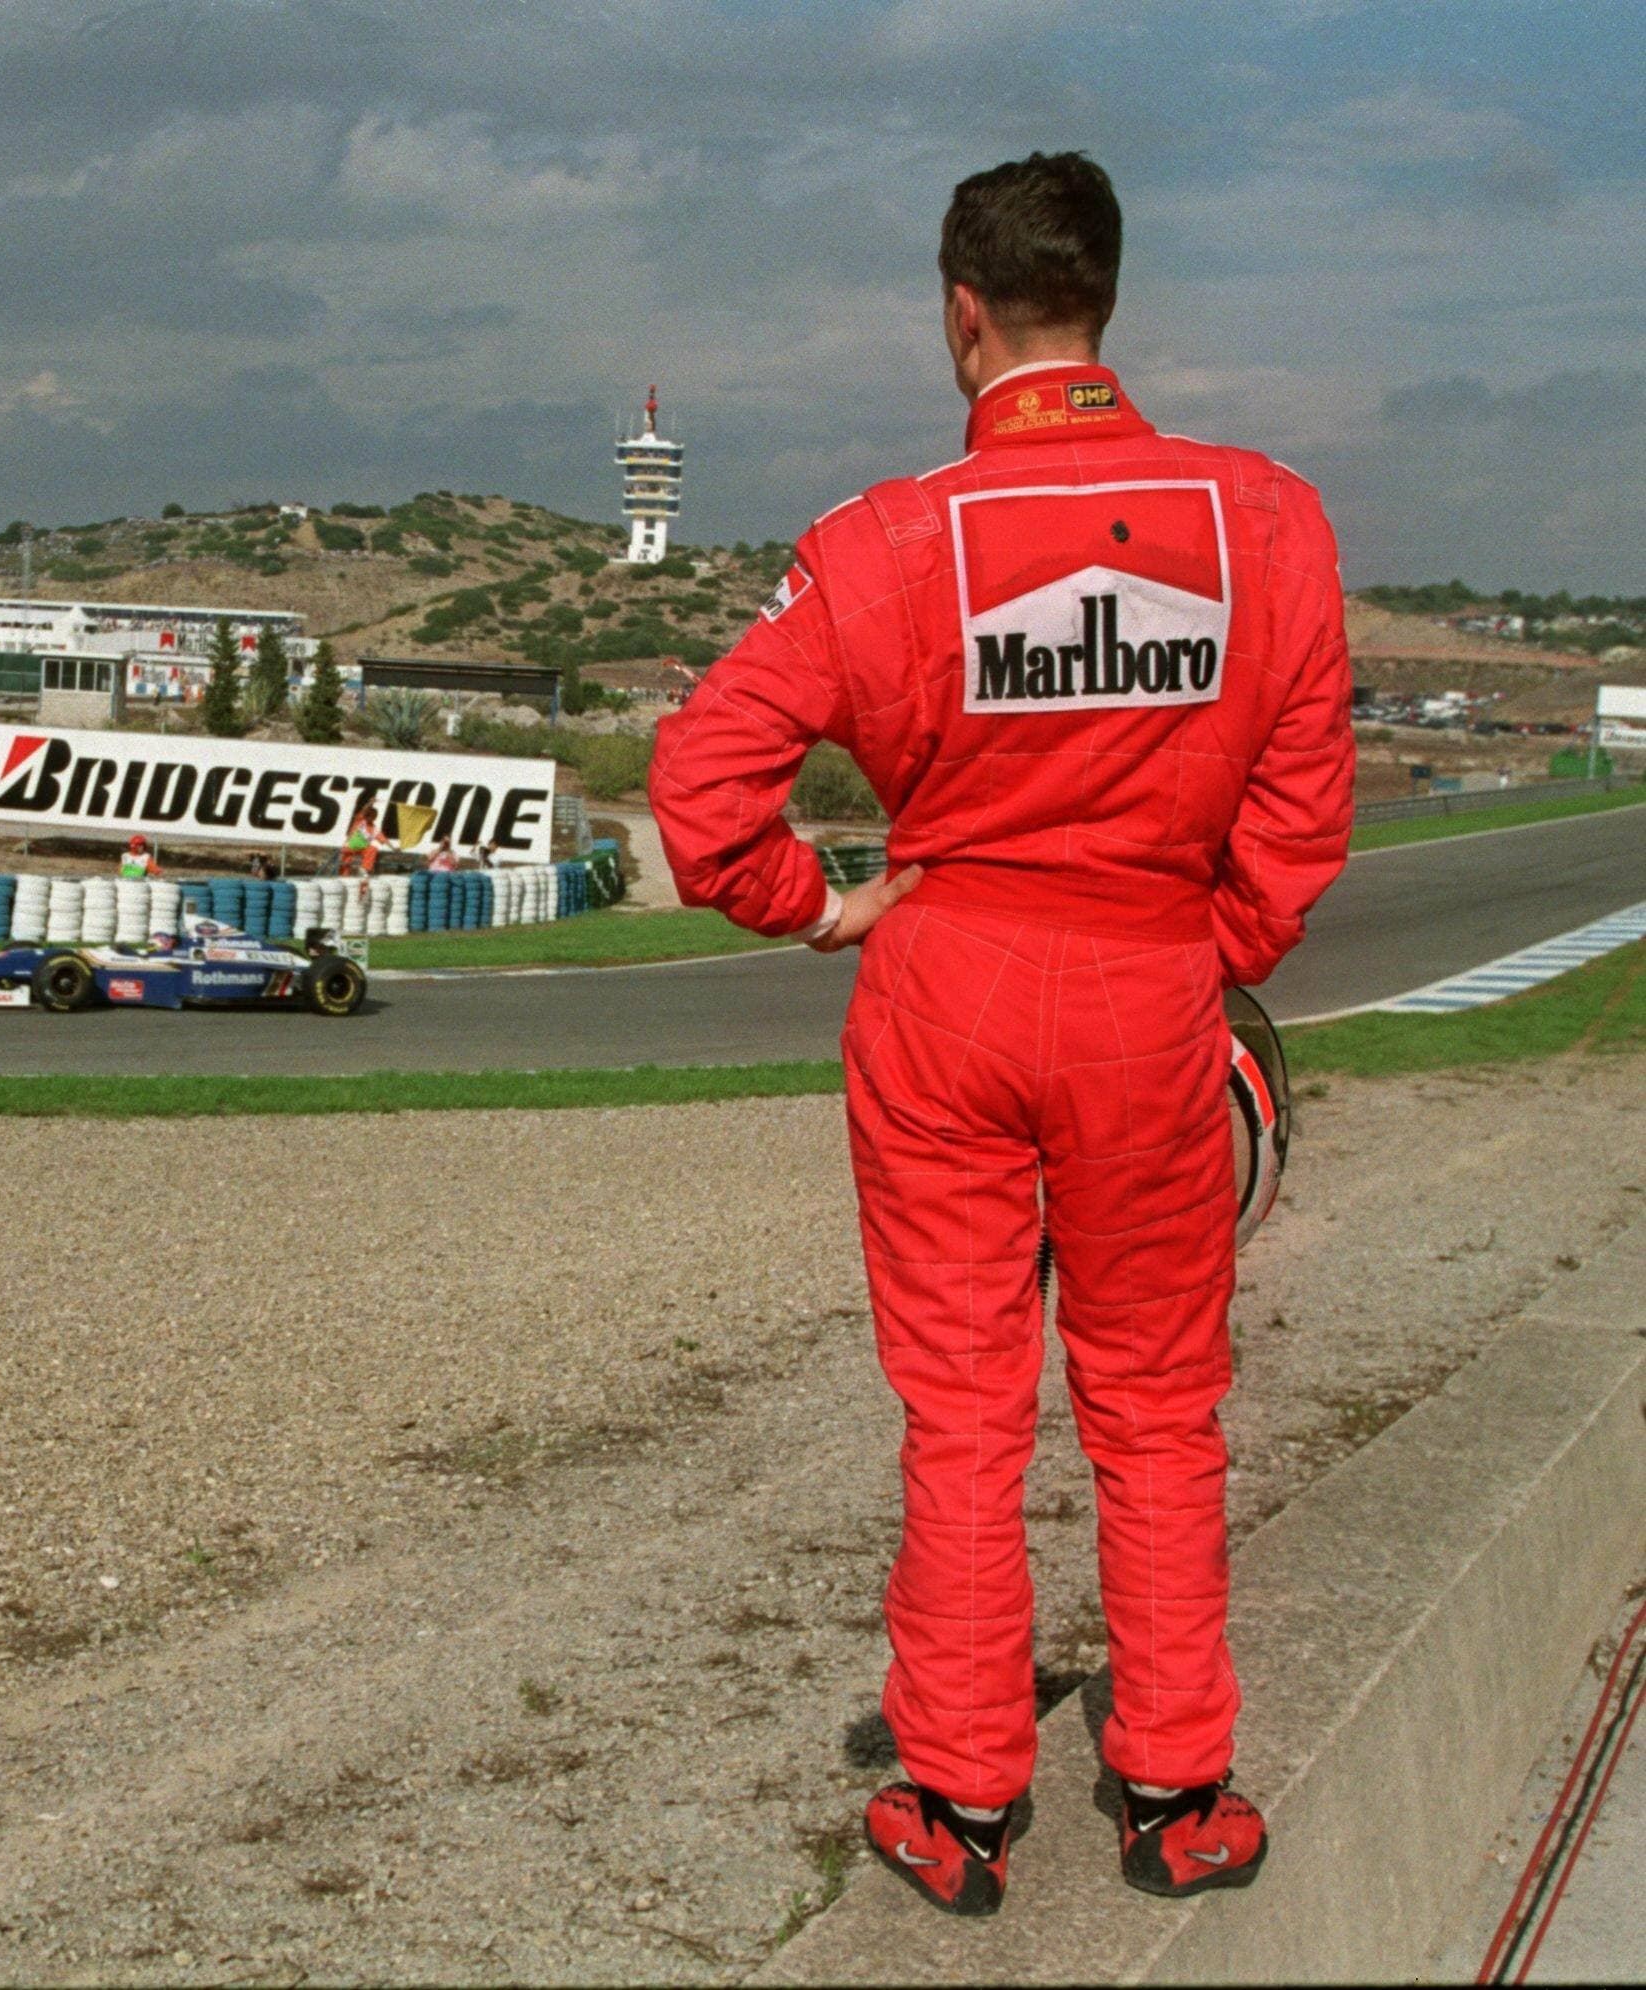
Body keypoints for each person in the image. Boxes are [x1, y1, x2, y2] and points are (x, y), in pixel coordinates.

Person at [648, 151, 1353, 1918]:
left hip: (945, 996)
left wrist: (817, 905)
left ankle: (960, 1803)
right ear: (1104, 301)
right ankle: (1178, 1786)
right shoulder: (1269, 517)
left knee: (964, 1412)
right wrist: (1210, 949)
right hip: (1149, 994)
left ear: (962, 317)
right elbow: (1305, 801)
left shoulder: (882, 542)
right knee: (1162, 1407)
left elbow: (698, 787)